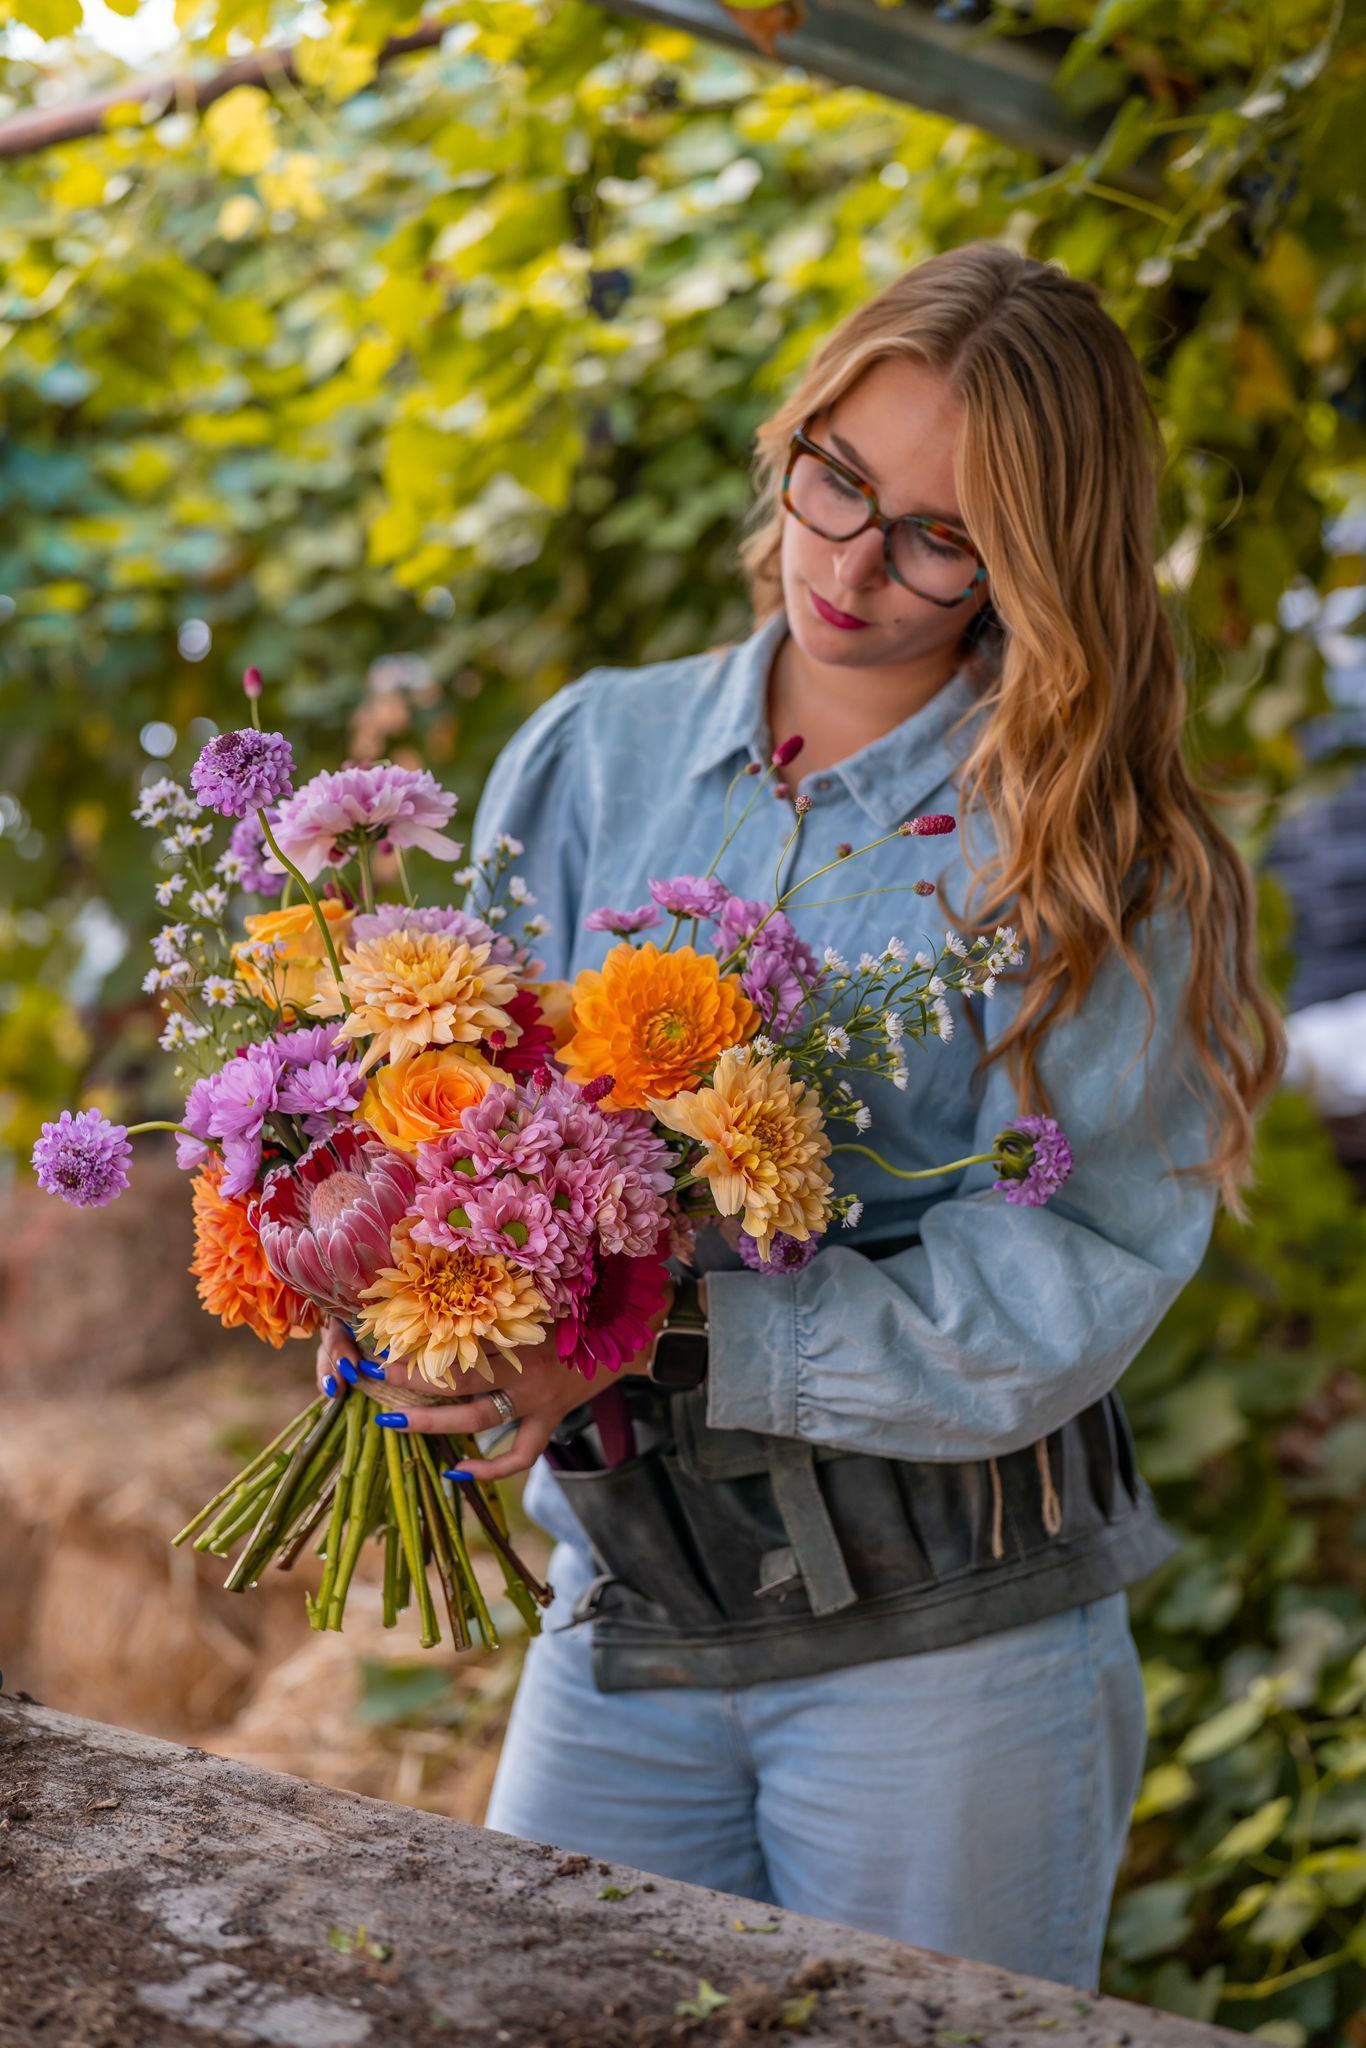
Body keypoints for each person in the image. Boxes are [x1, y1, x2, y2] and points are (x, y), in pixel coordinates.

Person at [316, 242, 1283, 1989]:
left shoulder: (1088, 853)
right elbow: (449, 1100)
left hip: (947, 1658)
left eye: (937, 535)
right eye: (837, 480)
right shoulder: (596, 749)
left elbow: (1076, 1268)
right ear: (798, 433)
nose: (850, 564)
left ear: (1032, 564)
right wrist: (424, 1289)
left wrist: (665, 1332)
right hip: (621, 1622)